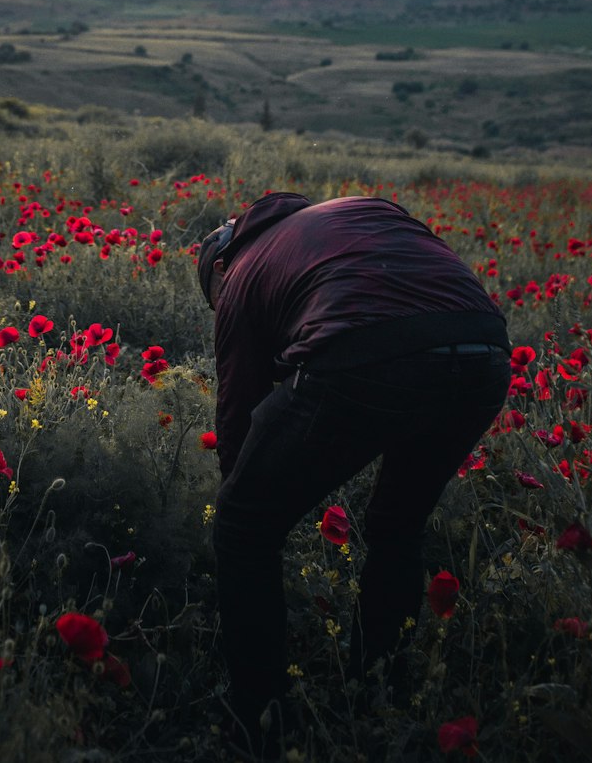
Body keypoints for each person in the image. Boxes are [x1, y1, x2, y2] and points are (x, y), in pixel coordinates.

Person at [197, 191, 511, 756]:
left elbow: (240, 412)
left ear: (221, 266)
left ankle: (259, 720)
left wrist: (244, 496)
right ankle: (381, 691)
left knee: (244, 531)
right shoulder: (358, 211)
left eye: (214, 302)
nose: (222, 311)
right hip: (486, 348)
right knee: (398, 526)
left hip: (368, 353)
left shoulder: (241, 273)